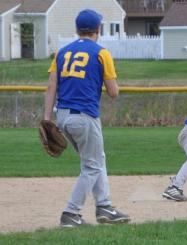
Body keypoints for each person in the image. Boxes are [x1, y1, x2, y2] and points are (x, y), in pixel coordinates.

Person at [44, 9, 130, 227]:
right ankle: (71, 213)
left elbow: (51, 85)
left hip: (62, 116)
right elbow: (113, 92)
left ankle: (104, 207)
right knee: (92, 166)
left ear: (76, 30)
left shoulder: (61, 53)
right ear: (97, 30)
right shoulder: (102, 53)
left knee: (95, 160)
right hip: (85, 117)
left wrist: (47, 119)